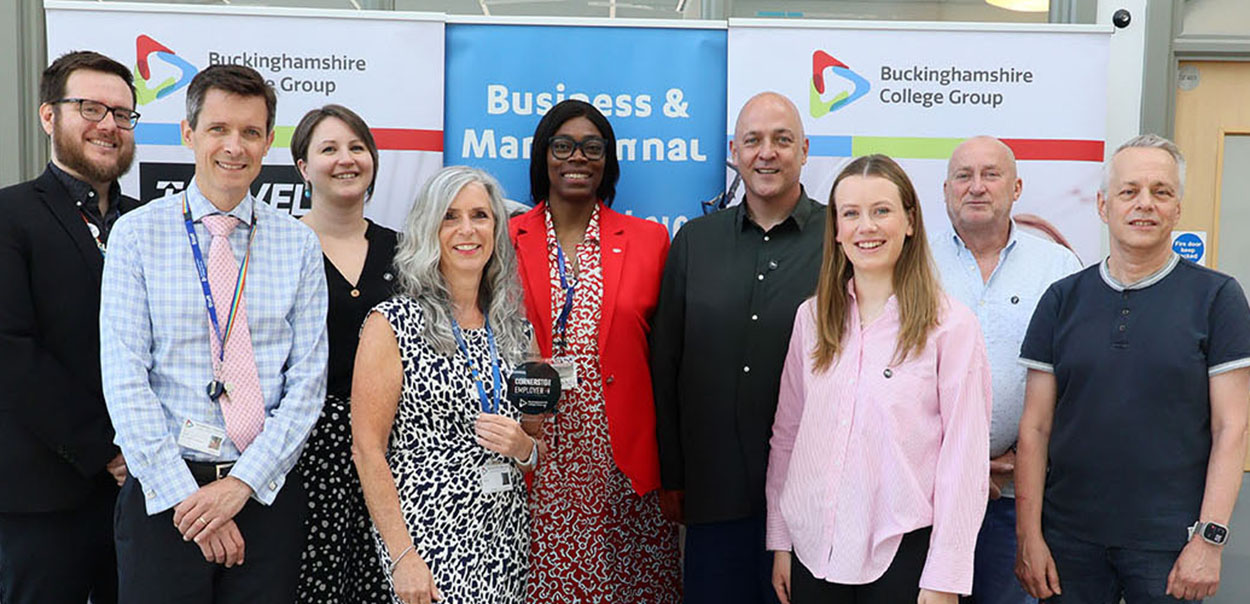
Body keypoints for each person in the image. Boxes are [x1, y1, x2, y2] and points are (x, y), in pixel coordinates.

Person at [100, 64, 328, 602]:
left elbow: (307, 385)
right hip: (165, 496)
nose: (234, 146)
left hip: (264, 492)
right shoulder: (136, 234)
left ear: (269, 142)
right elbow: (125, 379)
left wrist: (240, 486)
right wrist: (191, 501)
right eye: (218, 129)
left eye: (250, 132)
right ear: (188, 133)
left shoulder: (298, 243)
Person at [1015, 134, 1250, 604]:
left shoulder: (1217, 298)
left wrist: (1209, 540)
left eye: (1161, 192)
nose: (1145, 203)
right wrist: (1028, 537)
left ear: (1177, 208)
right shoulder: (1061, 299)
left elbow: (1233, 428)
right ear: (1103, 206)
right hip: (1068, 542)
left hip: (1171, 545)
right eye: (1129, 191)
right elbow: (1035, 429)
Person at [767, 154, 991, 604]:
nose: (865, 227)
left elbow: (964, 461)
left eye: (881, 210)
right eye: (850, 213)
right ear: (836, 229)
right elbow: (788, 436)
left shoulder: (951, 326)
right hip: (813, 552)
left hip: (907, 557)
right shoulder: (811, 319)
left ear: (910, 221)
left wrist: (945, 576)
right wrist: (781, 542)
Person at [652, 91, 825, 604]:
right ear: (734, 151)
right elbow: (666, 363)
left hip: (812, 504)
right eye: (753, 140)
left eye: (782, 140)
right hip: (713, 496)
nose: (766, 153)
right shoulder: (694, 242)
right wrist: (673, 474)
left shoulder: (840, 238)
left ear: (805, 150)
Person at [511, 99, 682, 603]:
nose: (577, 158)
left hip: (621, 464)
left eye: (592, 147)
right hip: (536, 458)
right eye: (562, 146)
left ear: (608, 160)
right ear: (543, 156)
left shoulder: (649, 241)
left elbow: (668, 361)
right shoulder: (505, 238)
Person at [353, 165, 535, 604]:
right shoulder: (393, 322)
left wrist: (524, 449)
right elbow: (367, 449)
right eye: (450, 217)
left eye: (480, 215)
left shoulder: (516, 330)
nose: (467, 230)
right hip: (426, 543)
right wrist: (402, 556)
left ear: (497, 228)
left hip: (505, 541)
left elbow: (535, 443)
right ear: (428, 230)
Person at [0, 50, 141, 604]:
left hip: (146, 492)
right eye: (90, 108)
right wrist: (106, 448)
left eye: (122, 114)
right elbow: (10, 350)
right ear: (48, 116)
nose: (108, 125)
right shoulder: (10, 216)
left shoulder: (151, 223)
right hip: (42, 496)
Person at [930, 136, 1082, 604]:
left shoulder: (1057, 268)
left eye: (991, 175)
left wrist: (1021, 455)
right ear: (946, 190)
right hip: (929, 499)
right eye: (963, 176)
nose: (976, 187)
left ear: (1016, 188)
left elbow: (1077, 380)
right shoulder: (914, 265)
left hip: (1019, 499)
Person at [290, 104, 394, 603]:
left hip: (393, 450)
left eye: (357, 147)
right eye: (329, 149)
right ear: (303, 167)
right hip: (303, 450)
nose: (346, 159)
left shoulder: (405, 251)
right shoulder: (278, 247)